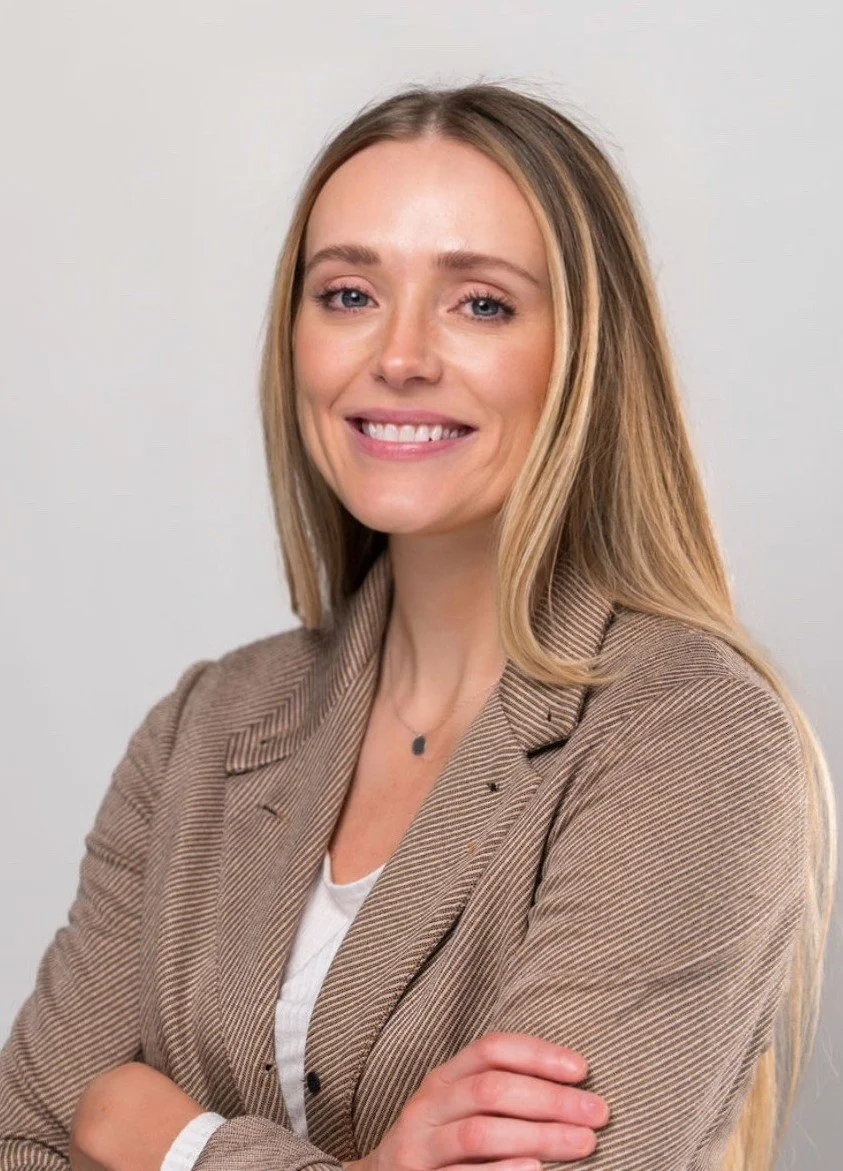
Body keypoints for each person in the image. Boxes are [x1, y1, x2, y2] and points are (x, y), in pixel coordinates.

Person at [0, 82, 836, 1171]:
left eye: (479, 303)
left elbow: (91, 1120)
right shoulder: (204, 728)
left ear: (584, 354)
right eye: (347, 293)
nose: (398, 355)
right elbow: (23, 1136)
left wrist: (171, 1141)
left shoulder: (692, 740)